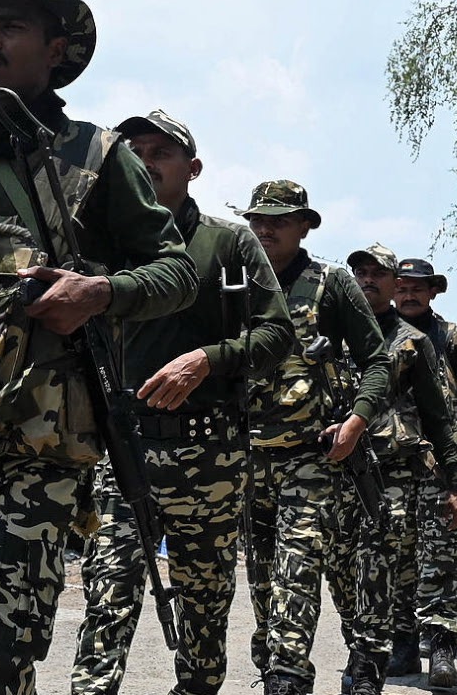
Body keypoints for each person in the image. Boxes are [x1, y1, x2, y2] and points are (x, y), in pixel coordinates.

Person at [0, 0, 196, 695]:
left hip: (43, 440)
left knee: (0, 646)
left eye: (9, 26)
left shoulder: (97, 156)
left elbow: (175, 270)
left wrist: (101, 292)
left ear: (57, 48)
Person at [70, 112, 291, 695]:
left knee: (203, 600)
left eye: (160, 152)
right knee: (107, 593)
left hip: (210, 452)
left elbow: (277, 334)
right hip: (125, 450)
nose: (145, 160)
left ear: (192, 169)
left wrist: (208, 359)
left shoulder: (229, 241)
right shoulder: (97, 241)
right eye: (134, 150)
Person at [236, 181, 390, 695]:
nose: (265, 228)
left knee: (296, 568)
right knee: (260, 576)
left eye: (279, 219)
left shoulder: (332, 283)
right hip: (247, 456)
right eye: (258, 219)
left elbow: (377, 362)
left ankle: (289, 678)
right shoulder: (233, 280)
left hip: (315, 456)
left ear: (305, 225)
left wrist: (358, 420)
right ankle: (275, 664)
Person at [337, 247, 457, 695]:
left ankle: (367, 666)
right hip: (328, 469)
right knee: (340, 570)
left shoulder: (415, 341)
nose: (368, 280)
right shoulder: (328, 329)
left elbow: (438, 416)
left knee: (379, 566)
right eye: (360, 272)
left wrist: (455, 482)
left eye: (378, 274)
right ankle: (370, 645)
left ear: (394, 284)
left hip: (391, 470)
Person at [385, 260, 457, 686]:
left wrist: (453, 445)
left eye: (417, 288)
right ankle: (403, 646)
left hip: (439, 467)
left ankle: (442, 650)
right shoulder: (377, 332)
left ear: (433, 292)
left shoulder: (455, 339)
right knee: (394, 557)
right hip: (389, 465)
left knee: (443, 556)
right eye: (402, 287)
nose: (409, 295)